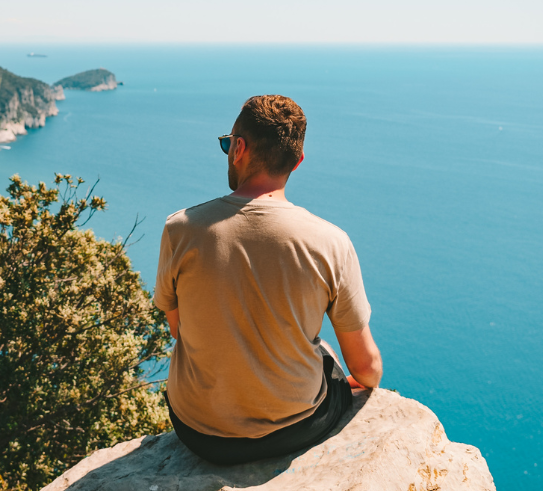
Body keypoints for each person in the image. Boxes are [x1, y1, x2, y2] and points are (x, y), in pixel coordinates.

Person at [154, 94, 383, 465]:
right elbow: (367, 370)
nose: (228, 152)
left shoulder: (180, 229)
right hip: (295, 428)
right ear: (299, 161)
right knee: (325, 353)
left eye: (227, 144)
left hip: (197, 431)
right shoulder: (330, 242)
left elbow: (179, 329)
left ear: (239, 148)